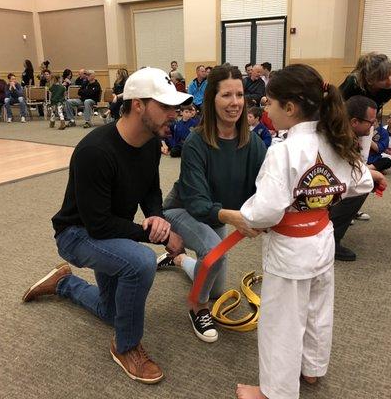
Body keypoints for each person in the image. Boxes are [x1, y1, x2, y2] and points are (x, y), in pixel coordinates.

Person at [22, 67, 191, 384]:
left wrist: (156, 216)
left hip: (111, 232)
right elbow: (97, 225)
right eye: (166, 106)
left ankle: (63, 283)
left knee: (113, 313)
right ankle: (126, 347)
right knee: (140, 263)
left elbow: (150, 189)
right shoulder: (95, 151)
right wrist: (154, 235)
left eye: (175, 106)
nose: (174, 114)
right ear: (138, 104)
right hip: (78, 234)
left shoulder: (151, 143)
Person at [235, 64, 378, 399]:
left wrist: (245, 216)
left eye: (270, 103)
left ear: (290, 107)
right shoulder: (337, 139)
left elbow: (267, 210)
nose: (266, 109)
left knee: (282, 321)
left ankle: (274, 391)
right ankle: (312, 369)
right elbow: (362, 181)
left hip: (289, 249)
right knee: (317, 308)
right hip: (322, 238)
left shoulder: (283, 150)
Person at [158, 65, 267, 343]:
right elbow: (196, 202)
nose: (235, 102)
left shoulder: (253, 144)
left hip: (218, 216)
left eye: (240, 95)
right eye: (226, 95)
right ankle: (197, 307)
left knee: (216, 285)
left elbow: (264, 188)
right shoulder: (196, 142)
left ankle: (179, 258)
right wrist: (235, 217)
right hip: (180, 210)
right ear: (212, 100)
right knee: (212, 254)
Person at [330, 95, 383, 261]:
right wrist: (372, 174)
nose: (374, 125)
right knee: (363, 185)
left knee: (367, 181)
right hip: (312, 190)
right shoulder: (338, 137)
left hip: (324, 184)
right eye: (371, 121)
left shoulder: (342, 130)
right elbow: (342, 173)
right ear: (354, 122)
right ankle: (331, 241)